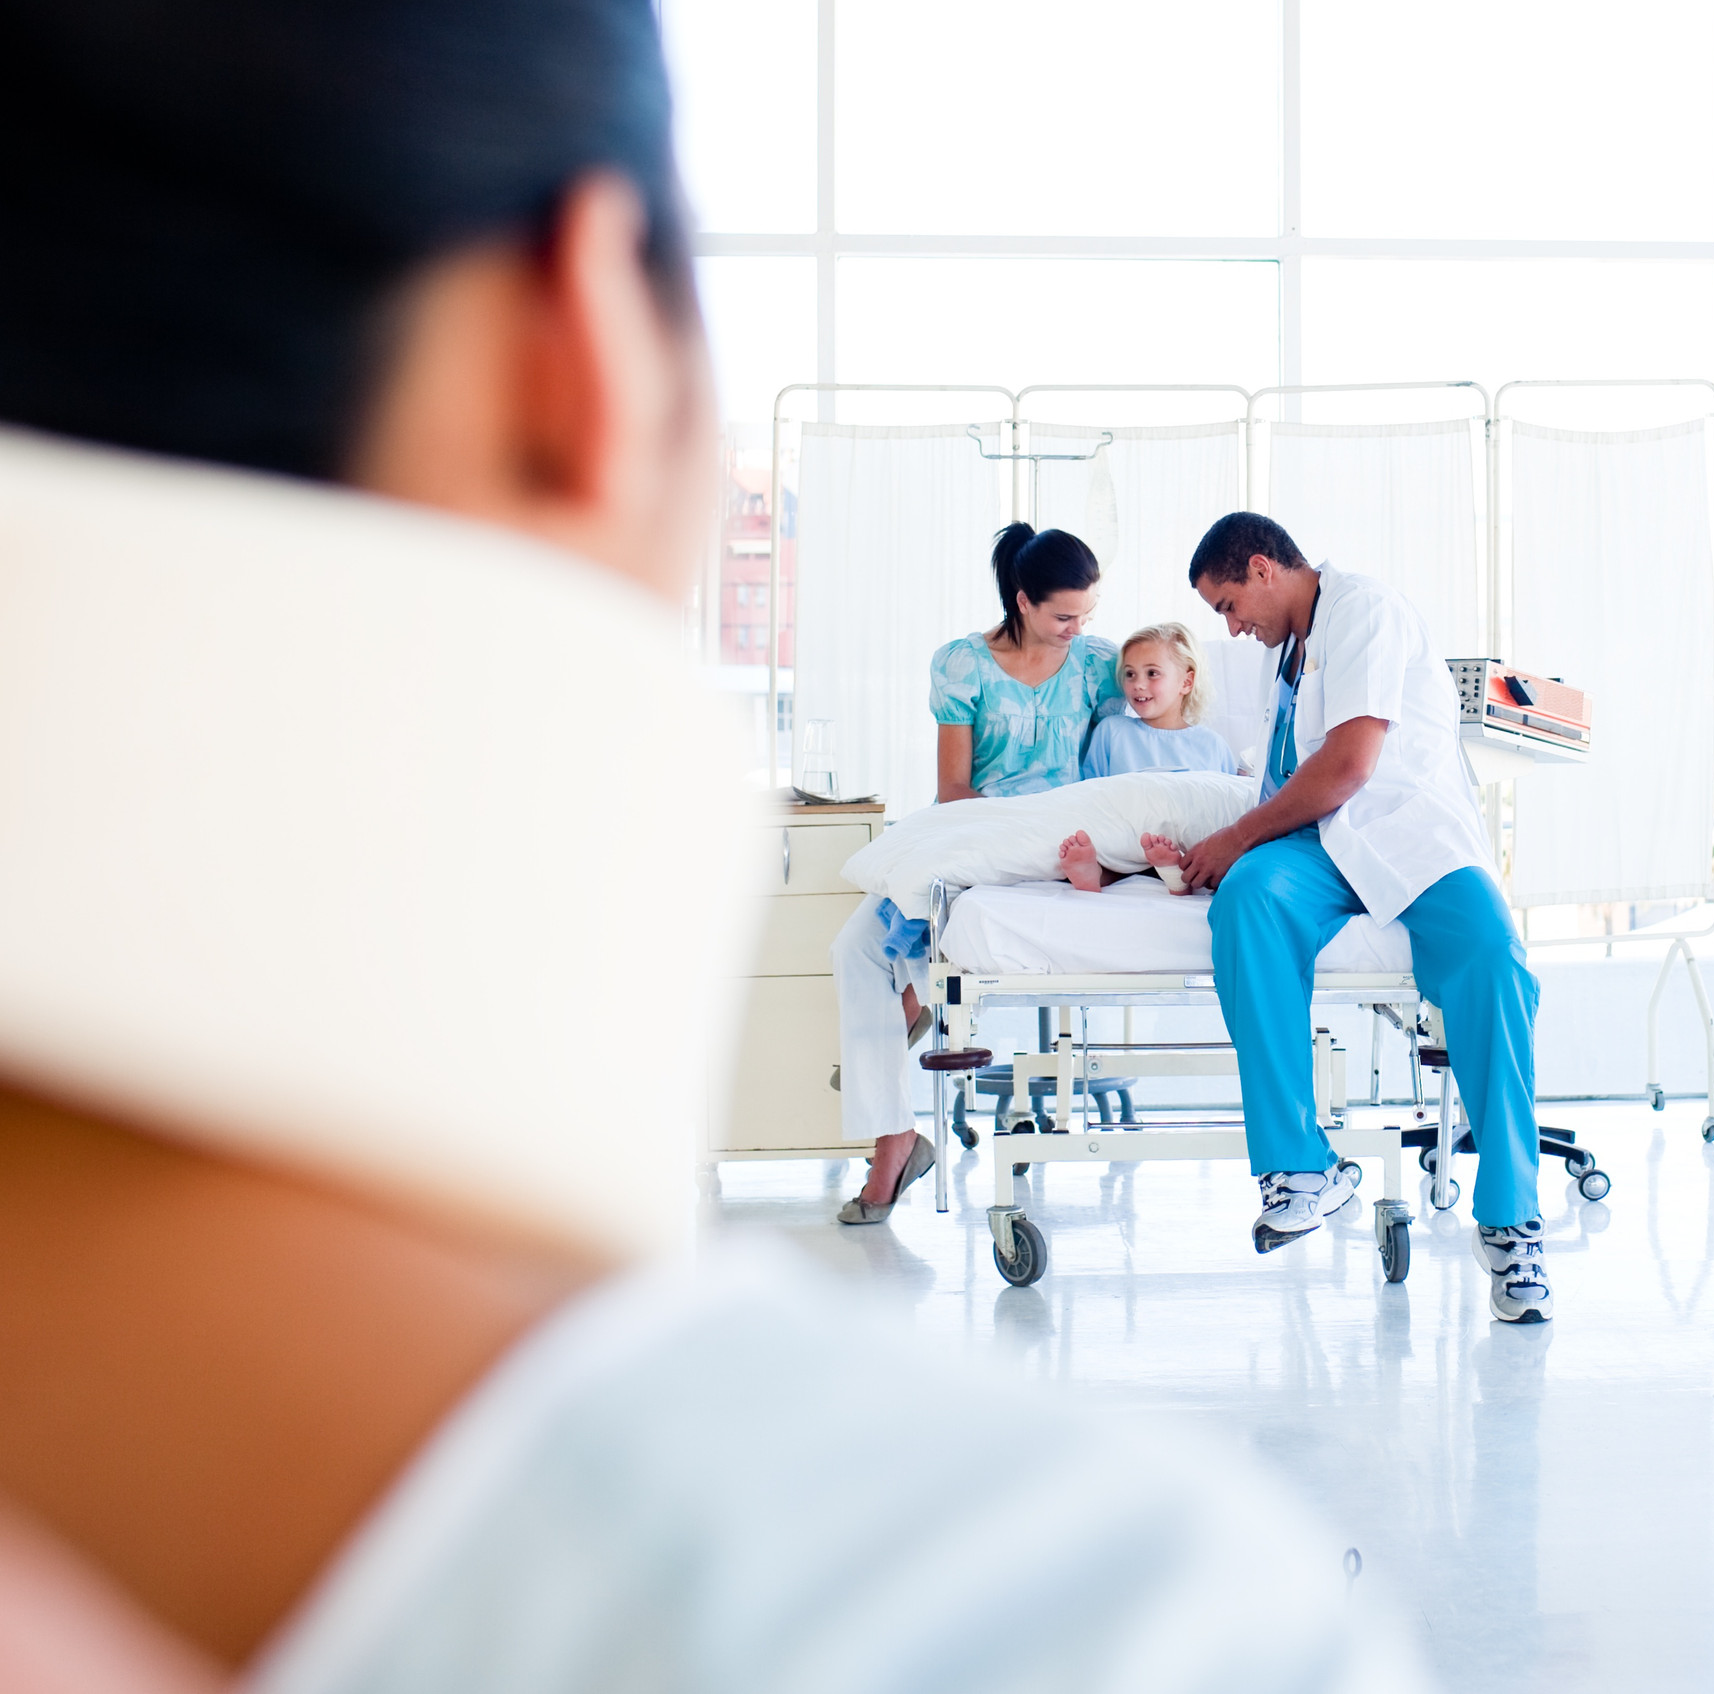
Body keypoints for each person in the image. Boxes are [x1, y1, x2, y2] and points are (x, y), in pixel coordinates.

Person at [0, 3, 1431, 1689]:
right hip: (1024, 865)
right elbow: (965, 797)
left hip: (1138, 844)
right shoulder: (1080, 1610)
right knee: (901, 898)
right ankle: (908, 1111)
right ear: (581, 336)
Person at [1174, 514, 1552, 1325]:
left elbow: (1348, 766)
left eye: (1230, 603)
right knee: (1249, 900)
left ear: (1265, 567)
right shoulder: (1291, 651)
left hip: (1410, 835)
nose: (1233, 627)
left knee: (1493, 959)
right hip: (1316, 848)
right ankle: (1302, 1166)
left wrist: (1237, 834)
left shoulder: (1364, 611)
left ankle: (1512, 1220)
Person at [829, 521, 1121, 1225]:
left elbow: (1132, 752)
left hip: (1060, 841)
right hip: (976, 827)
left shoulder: (1097, 664)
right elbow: (953, 786)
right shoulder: (960, 664)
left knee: (922, 971)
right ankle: (896, 1123)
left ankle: (886, 1094)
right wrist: (997, 830)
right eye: (1062, 615)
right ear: (1021, 601)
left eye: (1086, 614)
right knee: (855, 947)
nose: (1076, 628)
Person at [1057, 620, 1243, 892]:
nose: (1138, 685)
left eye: (1152, 673)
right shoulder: (1112, 731)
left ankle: (1175, 872)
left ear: (1186, 682)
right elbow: (1091, 794)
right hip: (1125, 840)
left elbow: (1222, 807)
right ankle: (1097, 873)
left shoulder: (1211, 744)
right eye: (1130, 674)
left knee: (1194, 846)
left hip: (1182, 844)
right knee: (1107, 843)